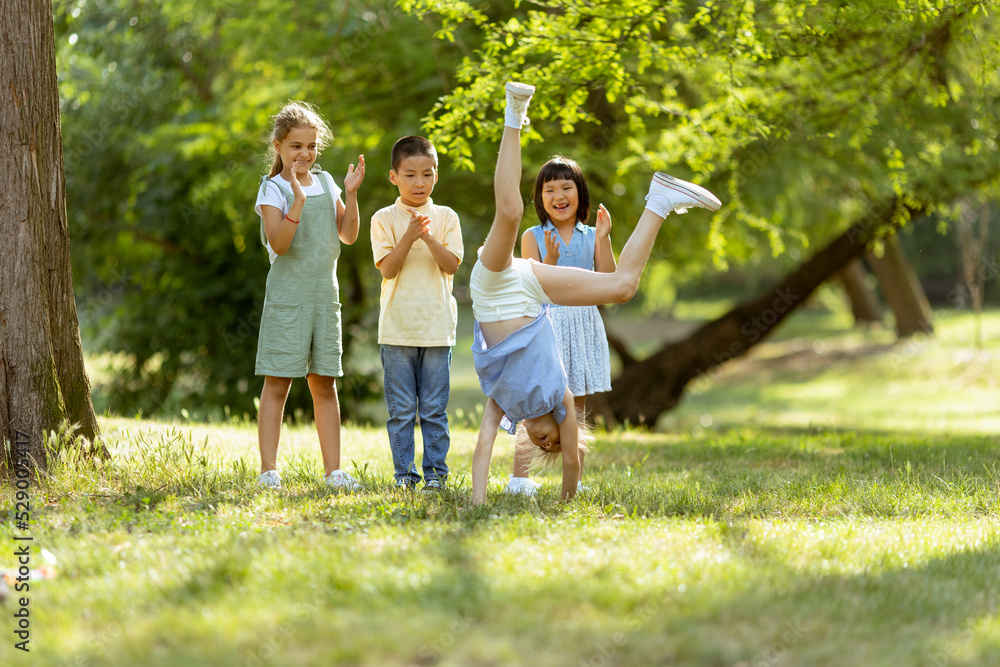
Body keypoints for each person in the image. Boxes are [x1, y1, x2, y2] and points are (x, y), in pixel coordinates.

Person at [471, 82, 721, 504]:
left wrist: (478, 504)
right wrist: (567, 494)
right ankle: (659, 202)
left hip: (492, 289)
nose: (543, 441)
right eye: (554, 440)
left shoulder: (507, 404)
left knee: (509, 212)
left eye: (544, 443)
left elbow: (482, 447)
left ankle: (514, 115)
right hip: (531, 290)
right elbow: (572, 460)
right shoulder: (560, 394)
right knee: (622, 286)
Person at [253, 101, 366, 490]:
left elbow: (347, 235)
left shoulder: (328, 181)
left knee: (325, 384)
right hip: (288, 297)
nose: (305, 154)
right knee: (278, 383)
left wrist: (351, 194)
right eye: (296, 146)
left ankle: (334, 472)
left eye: (312, 146)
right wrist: (297, 202)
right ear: (279, 146)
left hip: (324, 297)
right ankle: (268, 471)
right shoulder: (272, 189)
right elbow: (280, 245)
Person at [505, 156, 614, 497]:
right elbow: (532, 287)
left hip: (582, 325)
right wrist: (550, 260)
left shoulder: (592, 236)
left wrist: (605, 238)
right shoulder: (533, 236)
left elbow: (610, 282)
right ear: (540, 198)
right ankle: (520, 479)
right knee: (536, 401)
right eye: (549, 190)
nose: (558, 196)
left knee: (575, 406)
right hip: (546, 325)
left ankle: (575, 480)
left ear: (580, 193)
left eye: (566, 187)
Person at [371, 136, 463, 491]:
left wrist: (428, 237)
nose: (419, 182)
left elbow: (451, 265)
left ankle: (436, 475)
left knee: (434, 410)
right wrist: (409, 237)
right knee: (402, 411)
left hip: (437, 329)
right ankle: (404, 476)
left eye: (427, 174)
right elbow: (388, 269)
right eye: (410, 174)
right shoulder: (383, 219)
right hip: (396, 329)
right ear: (394, 177)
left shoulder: (446, 217)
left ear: (436, 175)